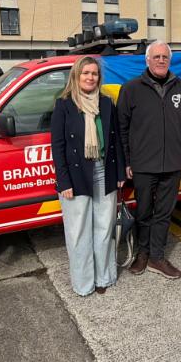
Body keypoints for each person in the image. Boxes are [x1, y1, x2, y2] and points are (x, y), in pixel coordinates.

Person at [117, 41, 181, 280]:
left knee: (163, 213)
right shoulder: (131, 89)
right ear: (147, 60)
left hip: (173, 163)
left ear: (169, 61)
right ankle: (142, 253)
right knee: (144, 212)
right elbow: (122, 129)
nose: (161, 60)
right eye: (156, 57)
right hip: (142, 164)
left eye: (165, 57)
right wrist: (127, 162)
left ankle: (157, 257)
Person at [51, 56, 125, 296]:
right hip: (75, 175)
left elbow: (115, 139)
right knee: (79, 232)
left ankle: (104, 278)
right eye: (86, 73)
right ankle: (84, 284)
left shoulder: (106, 102)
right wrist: (63, 181)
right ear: (76, 75)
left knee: (104, 228)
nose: (90, 77)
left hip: (105, 170)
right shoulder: (64, 104)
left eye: (94, 73)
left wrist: (120, 171)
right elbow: (58, 145)